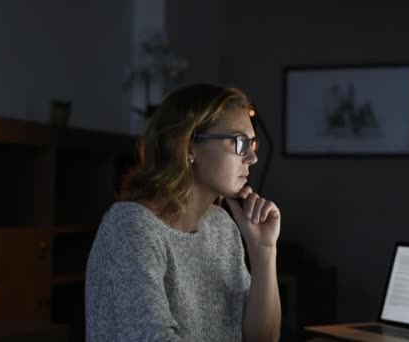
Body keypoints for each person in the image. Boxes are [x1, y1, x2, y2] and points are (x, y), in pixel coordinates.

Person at [85, 83, 281, 341]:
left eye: (252, 144)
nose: (252, 159)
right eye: (240, 142)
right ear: (188, 146)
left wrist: (264, 251)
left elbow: (262, 339)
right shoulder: (130, 229)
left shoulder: (221, 226)